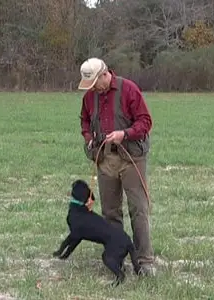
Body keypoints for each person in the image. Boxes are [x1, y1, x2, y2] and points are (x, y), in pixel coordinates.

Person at [77, 57, 155, 276]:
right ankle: (117, 257)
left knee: (138, 209)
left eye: (95, 84)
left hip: (131, 158)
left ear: (104, 75)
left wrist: (124, 134)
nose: (93, 89)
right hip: (104, 160)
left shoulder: (128, 89)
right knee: (110, 212)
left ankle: (145, 261)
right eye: (89, 86)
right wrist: (88, 137)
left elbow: (145, 121)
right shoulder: (89, 97)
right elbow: (84, 120)